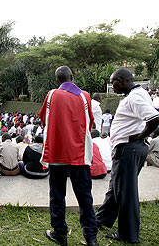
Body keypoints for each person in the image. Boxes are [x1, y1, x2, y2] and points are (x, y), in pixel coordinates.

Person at [95, 68, 159, 244]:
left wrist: (141, 135)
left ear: (121, 81)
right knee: (116, 187)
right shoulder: (137, 94)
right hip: (128, 148)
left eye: (113, 82)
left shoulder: (135, 96)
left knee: (125, 191)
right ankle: (101, 219)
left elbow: (154, 117)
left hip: (129, 148)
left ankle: (128, 234)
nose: (112, 86)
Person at [39, 66, 98, 246]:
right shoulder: (85, 96)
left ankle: (60, 233)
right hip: (79, 154)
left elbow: (43, 120)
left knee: (57, 195)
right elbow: (90, 124)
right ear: (72, 77)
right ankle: (91, 238)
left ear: (58, 80)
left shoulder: (51, 95)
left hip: (57, 153)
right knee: (85, 196)